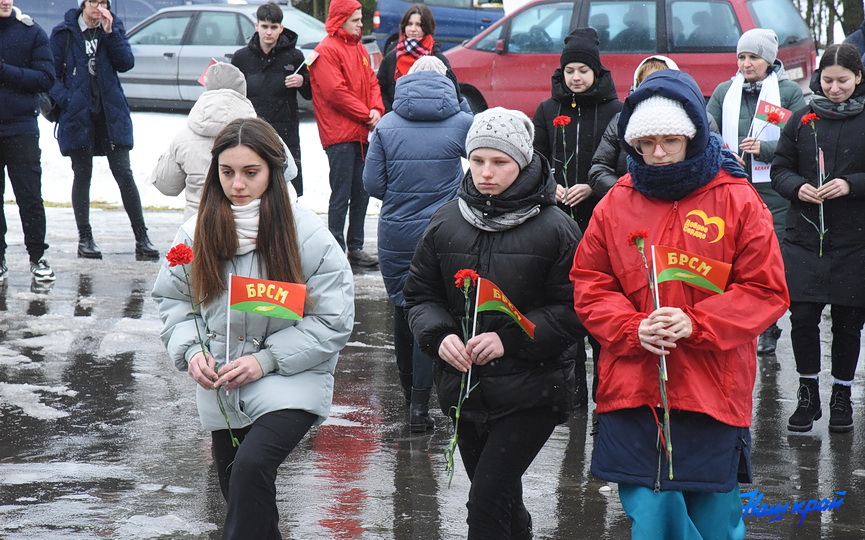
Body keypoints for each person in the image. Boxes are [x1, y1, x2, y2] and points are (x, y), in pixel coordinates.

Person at [571, 70, 789, 540]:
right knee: (653, 521)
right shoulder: (615, 203)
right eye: (646, 143)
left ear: (693, 134)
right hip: (633, 389)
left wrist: (696, 324)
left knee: (714, 521)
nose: (659, 153)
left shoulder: (738, 199)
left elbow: (766, 291)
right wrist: (633, 328)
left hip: (712, 389)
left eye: (671, 140)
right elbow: (589, 282)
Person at [152, 118, 354, 539]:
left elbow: (333, 319)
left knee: (251, 466)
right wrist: (193, 353)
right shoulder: (193, 235)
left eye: (251, 172)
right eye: (227, 172)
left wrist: (265, 361)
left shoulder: (307, 234)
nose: (237, 184)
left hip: (292, 377)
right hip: (222, 385)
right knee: (240, 491)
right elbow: (175, 302)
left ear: (274, 173)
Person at [403, 107, 581, 538]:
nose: (486, 172)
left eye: (499, 162)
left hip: (532, 389)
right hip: (465, 389)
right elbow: (420, 296)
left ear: (522, 162)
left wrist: (510, 340)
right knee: (501, 500)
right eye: (477, 160)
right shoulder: (447, 220)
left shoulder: (556, 227)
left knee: (484, 501)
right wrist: (438, 335)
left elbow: (577, 309)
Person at [363, 56, 473, 432]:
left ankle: (410, 395)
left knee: (403, 309)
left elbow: (372, 185)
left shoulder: (387, 126)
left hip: (395, 232)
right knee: (435, 312)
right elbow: (482, 159)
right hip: (445, 232)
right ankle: (421, 410)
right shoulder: (460, 121)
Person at [770, 43, 865, 434]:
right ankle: (808, 393)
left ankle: (841, 392)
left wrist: (850, 184)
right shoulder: (801, 118)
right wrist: (797, 188)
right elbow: (779, 169)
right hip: (805, 238)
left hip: (853, 238)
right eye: (828, 80)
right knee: (804, 316)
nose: (835, 88)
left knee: (847, 320)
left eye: (843, 81)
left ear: (859, 78)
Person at [532, 27, 621, 406]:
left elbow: (621, 165)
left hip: (600, 218)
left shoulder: (615, 111)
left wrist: (591, 185)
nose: (576, 77)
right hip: (558, 219)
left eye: (584, 70)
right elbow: (535, 160)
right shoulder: (548, 110)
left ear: (597, 72)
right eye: (570, 71)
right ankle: (574, 393)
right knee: (566, 306)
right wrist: (549, 186)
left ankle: (606, 392)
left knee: (601, 307)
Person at [707, 28, 806, 355]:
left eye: (753, 57)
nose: (746, 64)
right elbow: (708, 131)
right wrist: (724, 151)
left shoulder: (789, 92)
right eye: (742, 57)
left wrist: (764, 149)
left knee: (768, 258)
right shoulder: (724, 91)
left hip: (774, 190)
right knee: (734, 257)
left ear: (769, 60)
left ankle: (769, 325)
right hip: (734, 186)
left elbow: (799, 140)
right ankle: (740, 320)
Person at [48, 0, 158, 261]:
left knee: (124, 173)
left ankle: (142, 238)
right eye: (95, 2)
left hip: (110, 113)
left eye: (104, 2)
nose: (100, 7)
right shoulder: (64, 33)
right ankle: (85, 239)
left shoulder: (112, 28)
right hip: (78, 115)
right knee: (82, 174)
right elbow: (49, 75)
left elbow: (125, 63)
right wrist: (68, 100)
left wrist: (111, 34)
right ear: (83, 4)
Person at [309, 0, 384, 268]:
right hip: (340, 136)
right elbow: (335, 93)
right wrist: (367, 114)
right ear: (341, 20)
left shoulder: (359, 48)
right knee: (341, 194)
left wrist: (376, 108)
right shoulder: (326, 51)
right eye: (355, 19)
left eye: (360, 18)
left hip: (362, 134)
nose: (361, 23)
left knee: (361, 193)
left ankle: (355, 247)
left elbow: (373, 82)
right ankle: (336, 248)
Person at [150, 62, 267, 220]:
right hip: (251, 228)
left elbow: (166, 186)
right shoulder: (263, 136)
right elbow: (288, 175)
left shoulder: (184, 138)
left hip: (199, 227)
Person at [0, 1, 56, 282]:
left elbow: (46, 78)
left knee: (30, 197)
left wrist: (5, 71)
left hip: (21, 127)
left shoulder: (31, 31)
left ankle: (38, 257)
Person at [231, 1, 310, 197]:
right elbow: (232, 94)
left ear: (281, 28)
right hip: (252, 131)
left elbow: (310, 93)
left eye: (274, 27)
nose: (269, 32)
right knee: (255, 183)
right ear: (256, 26)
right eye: (265, 26)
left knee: (287, 188)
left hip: (285, 131)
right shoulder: (241, 57)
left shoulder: (295, 56)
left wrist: (303, 81)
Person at [376, 3, 454, 113]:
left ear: (426, 27)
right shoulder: (392, 56)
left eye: (418, 25)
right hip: (397, 119)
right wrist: (389, 112)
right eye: (409, 24)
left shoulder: (437, 58)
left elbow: (452, 92)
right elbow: (381, 88)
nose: (413, 29)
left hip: (429, 119)